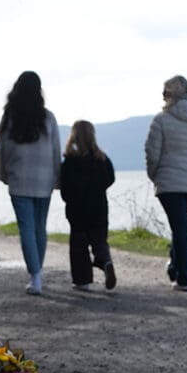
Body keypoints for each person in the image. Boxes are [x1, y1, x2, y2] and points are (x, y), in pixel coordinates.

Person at [0, 71, 61, 295]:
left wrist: (3, 174)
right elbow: (56, 150)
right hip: (44, 180)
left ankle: (36, 276)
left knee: (27, 229)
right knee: (40, 228)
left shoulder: (10, 117)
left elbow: (3, 149)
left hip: (19, 179)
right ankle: (37, 273)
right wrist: (57, 177)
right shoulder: (48, 118)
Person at [144, 74, 187, 292]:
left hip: (170, 183)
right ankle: (175, 267)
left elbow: (152, 153)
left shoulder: (161, 120)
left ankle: (184, 276)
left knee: (179, 229)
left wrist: (154, 175)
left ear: (169, 96)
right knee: (180, 228)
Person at [58, 120, 117, 292]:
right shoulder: (102, 159)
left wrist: (68, 198)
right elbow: (110, 179)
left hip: (77, 211)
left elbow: (65, 188)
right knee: (100, 241)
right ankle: (105, 261)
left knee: (79, 245)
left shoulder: (69, 162)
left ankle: (82, 280)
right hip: (99, 208)